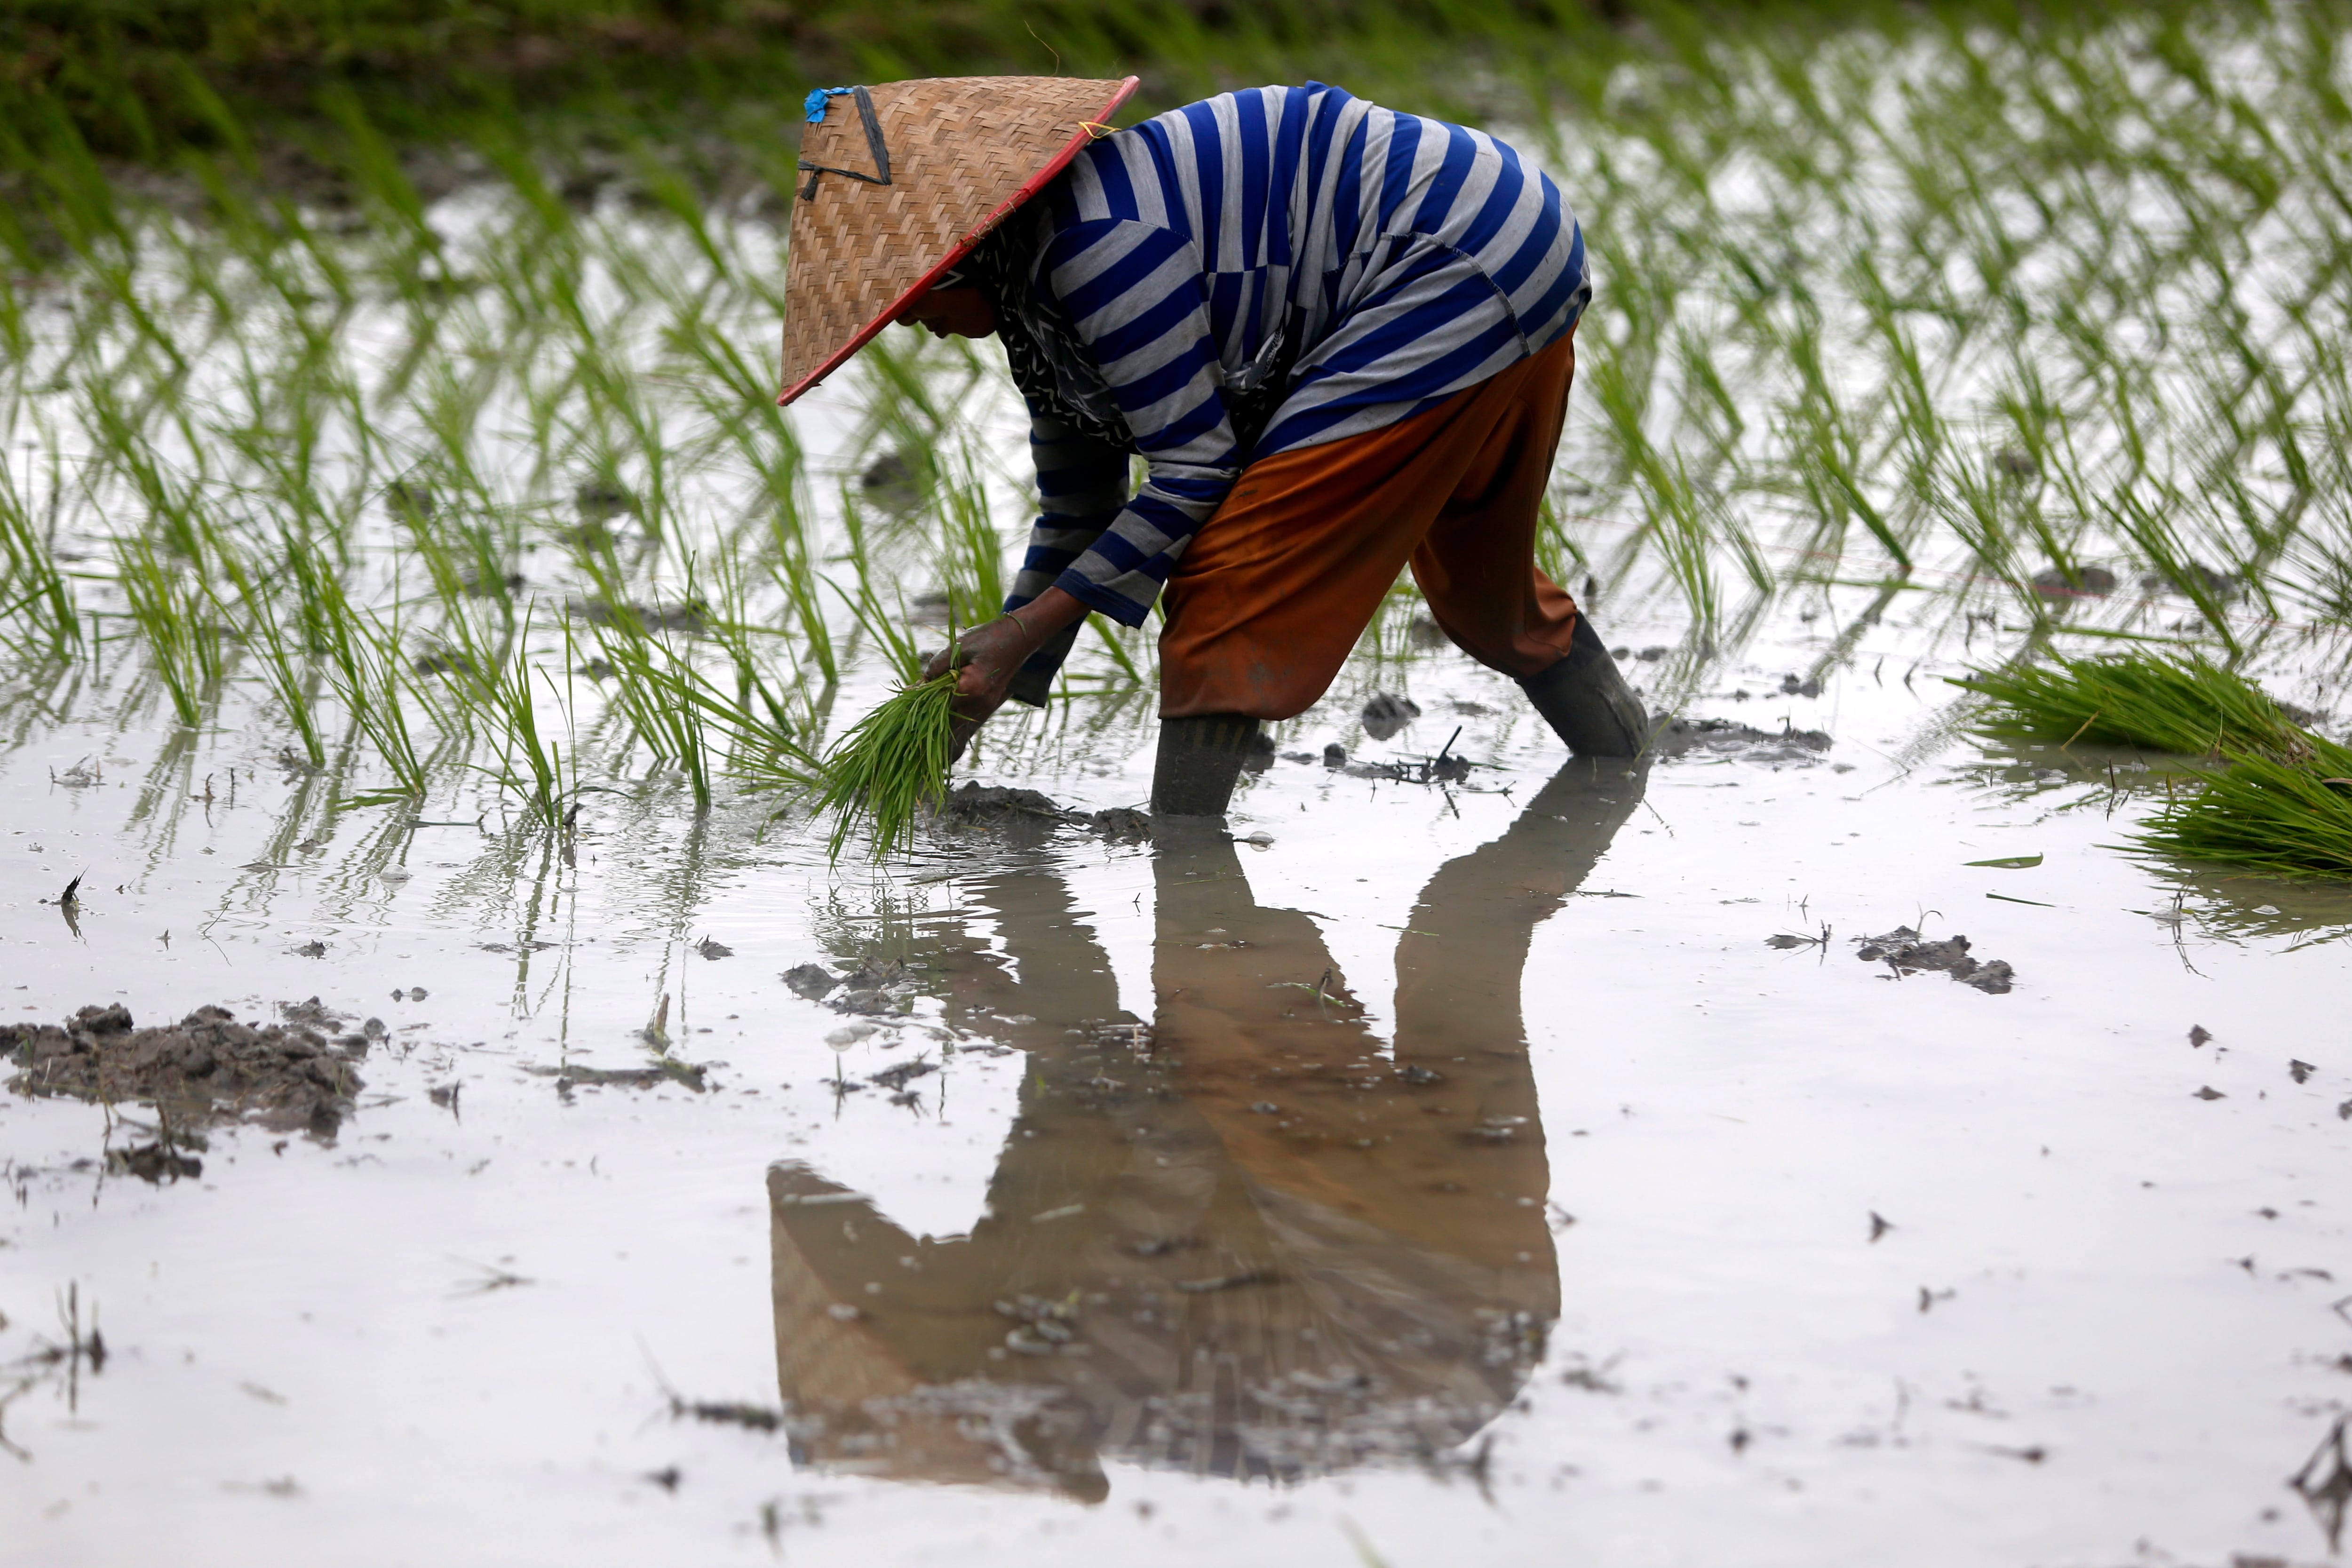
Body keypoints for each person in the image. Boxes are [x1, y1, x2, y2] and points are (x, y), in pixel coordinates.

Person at [779, 77, 1650, 815]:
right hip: (1512, 238)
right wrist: (998, 674)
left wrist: (1025, 629)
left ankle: (1187, 876)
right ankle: (1626, 770)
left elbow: (1194, 472)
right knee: (1484, 581)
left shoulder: (1097, 250)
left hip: (1445, 255)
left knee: (1230, 576)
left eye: (912, 304)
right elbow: (1080, 508)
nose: (920, 328)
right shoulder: (1037, 302)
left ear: (960, 260)